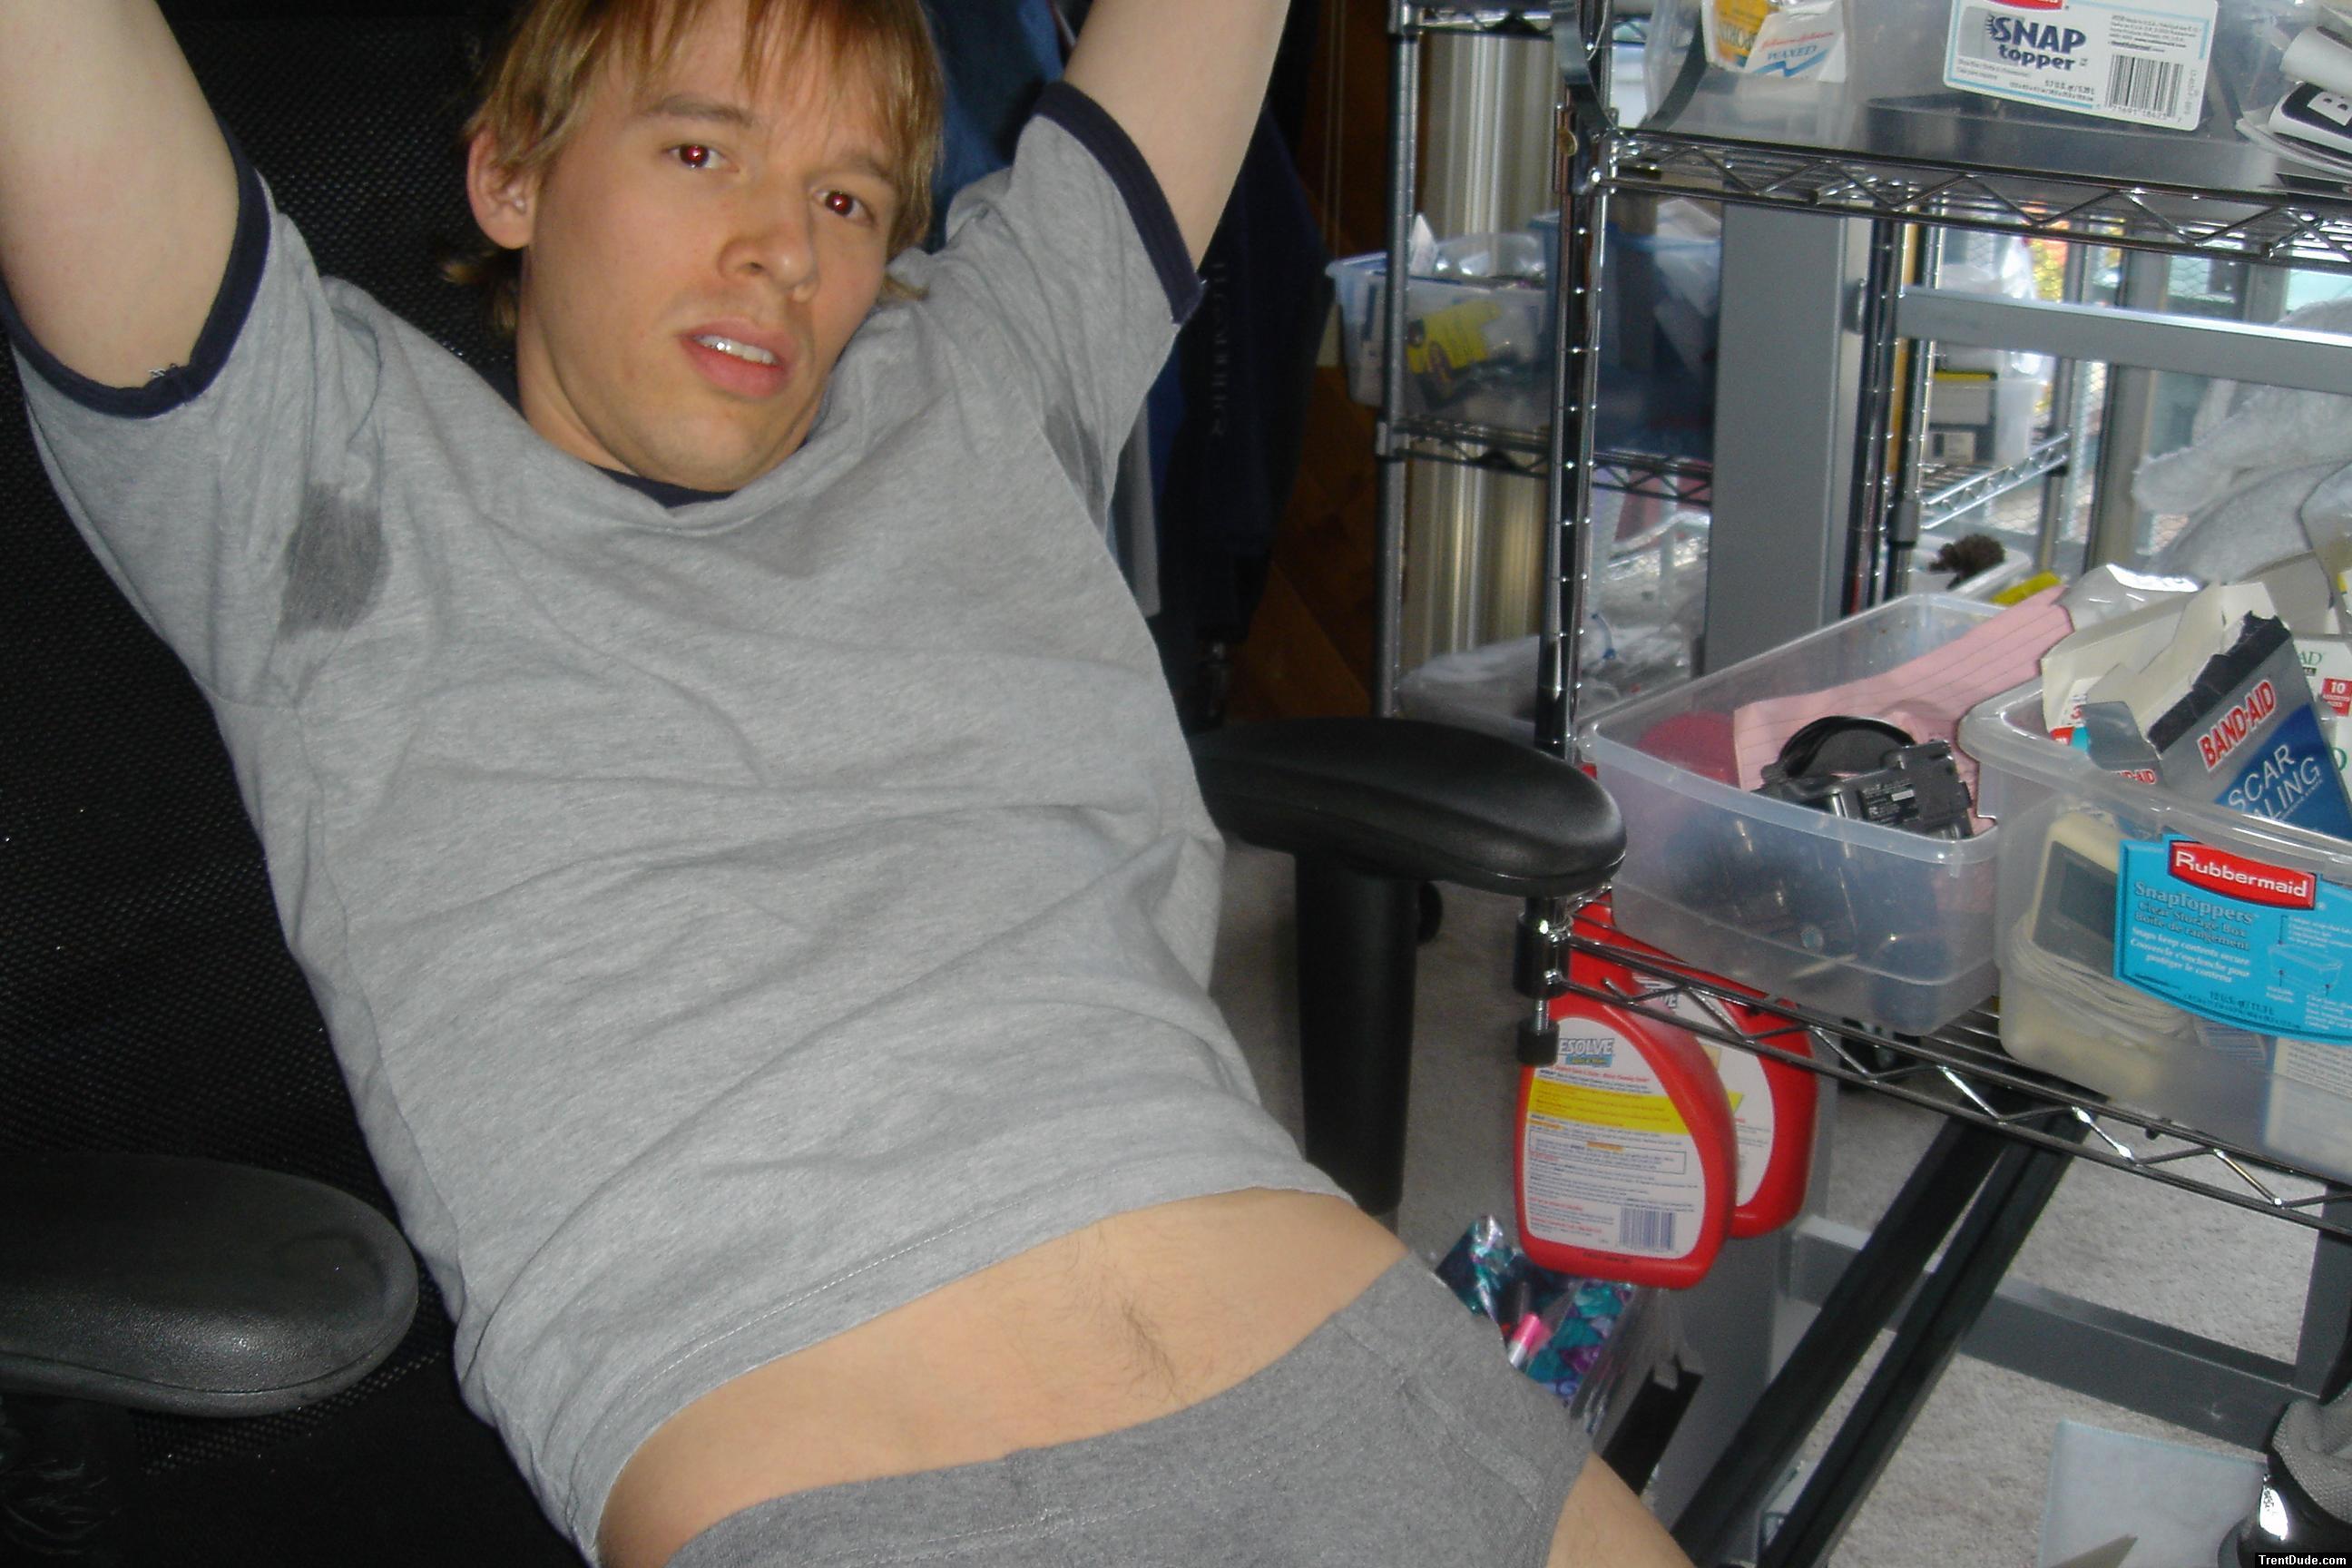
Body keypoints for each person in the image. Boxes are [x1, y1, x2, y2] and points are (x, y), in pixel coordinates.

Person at [0, 3, 1696, 1565]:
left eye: (848, 198)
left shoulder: (972, 375)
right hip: (853, 1490)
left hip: (1351, 1371)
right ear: (510, 173)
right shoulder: (316, 471)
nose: (781, 252)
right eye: (699, 150)